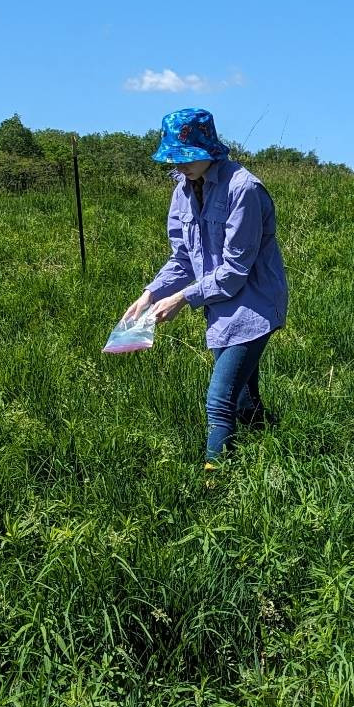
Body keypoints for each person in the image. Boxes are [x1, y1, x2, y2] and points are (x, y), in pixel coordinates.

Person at [123, 108, 289, 465]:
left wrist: (181, 298)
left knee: (219, 400)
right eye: (173, 158)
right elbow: (183, 258)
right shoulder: (182, 191)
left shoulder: (243, 188)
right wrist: (150, 294)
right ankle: (268, 449)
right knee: (243, 398)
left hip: (253, 305)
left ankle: (214, 480)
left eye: (186, 157)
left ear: (207, 149)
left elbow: (234, 269)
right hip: (219, 307)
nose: (179, 166)